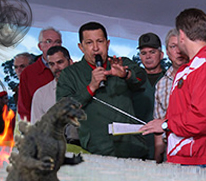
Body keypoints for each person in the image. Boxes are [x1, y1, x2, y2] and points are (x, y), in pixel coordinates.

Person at [140, 9, 206, 166]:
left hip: (197, 158)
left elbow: (204, 118)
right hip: (184, 155)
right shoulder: (193, 66)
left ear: (181, 36)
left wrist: (166, 124)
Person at [56, 22, 148, 158]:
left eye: (100, 41)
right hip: (97, 148)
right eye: (89, 43)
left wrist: (125, 75)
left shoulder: (121, 64)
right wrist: (91, 87)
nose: (95, 48)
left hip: (131, 145)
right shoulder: (70, 74)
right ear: (81, 47)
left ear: (108, 43)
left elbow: (141, 78)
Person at [150, 28, 188, 163]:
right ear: (167, 52)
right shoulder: (161, 84)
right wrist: (158, 159)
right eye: (173, 46)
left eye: (181, 46)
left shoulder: (199, 75)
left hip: (196, 150)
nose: (178, 51)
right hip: (170, 151)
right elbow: (158, 126)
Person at [31, 46, 78, 143]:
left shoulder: (86, 88)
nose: (56, 68)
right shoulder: (41, 94)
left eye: (60, 62)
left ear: (70, 62)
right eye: (51, 64)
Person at [17, 27, 62, 121]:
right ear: (40, 46)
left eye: (57, 42)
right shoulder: (28, 73)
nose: (54, 45)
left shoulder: (71, 70)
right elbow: (24, 109)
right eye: (48, 41)